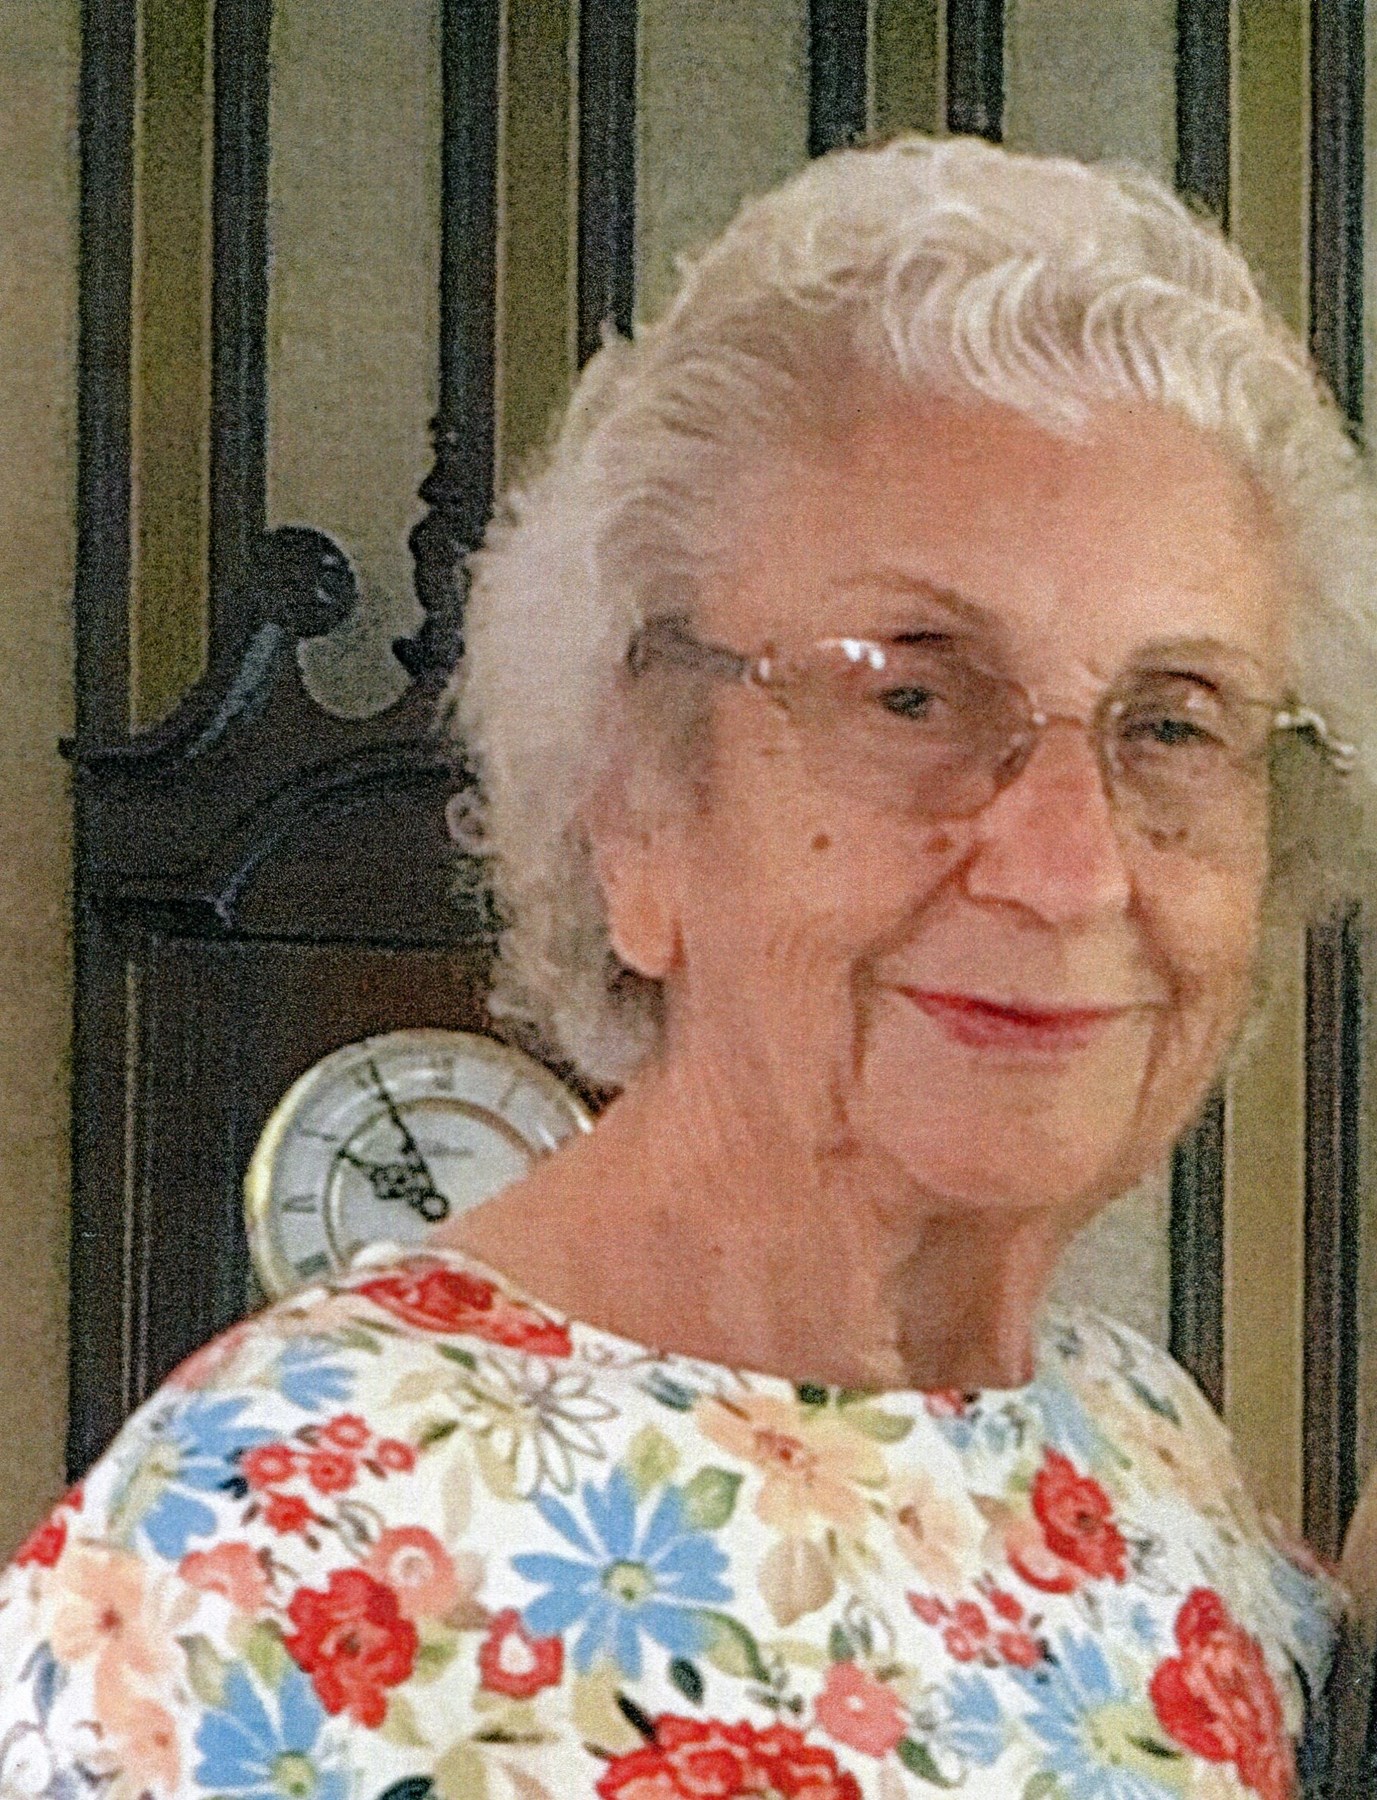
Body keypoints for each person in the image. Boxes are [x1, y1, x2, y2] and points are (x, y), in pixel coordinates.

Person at [0, 133, 1370, 1800]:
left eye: (1171, 726)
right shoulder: (258, 1571)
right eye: (909, 694)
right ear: (632, 811)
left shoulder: (1147, 1455)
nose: (1068, 865)